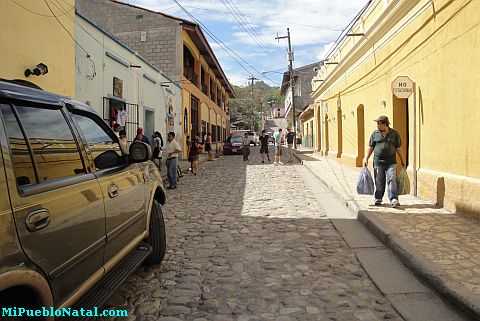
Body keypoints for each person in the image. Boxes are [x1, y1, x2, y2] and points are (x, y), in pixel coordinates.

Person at [363, 115, 405, 208]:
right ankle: (378, 198)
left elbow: (399, 148)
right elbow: (371, 147)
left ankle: (394, 199)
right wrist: (366, 158)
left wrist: (402, 159)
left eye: (379, 124)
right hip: (378, 162)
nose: (377, 126)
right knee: (379, 181)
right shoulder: (375, 134)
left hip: (391, 162)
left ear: (385, 124)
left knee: (392, 179)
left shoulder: (395, 134)